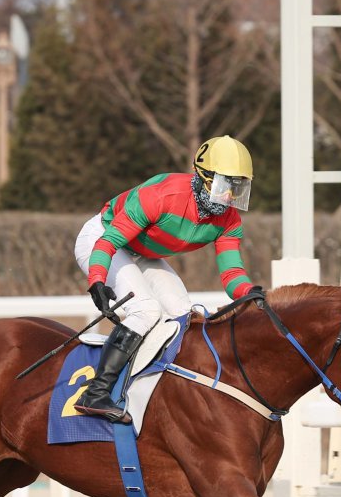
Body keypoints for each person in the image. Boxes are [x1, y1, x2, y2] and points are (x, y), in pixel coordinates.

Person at [71, 135, 263, 422]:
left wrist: (251, 292)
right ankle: (95, 393)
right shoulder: (162, 196)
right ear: (202, 178)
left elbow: (232, 274)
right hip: (102, 239)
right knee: (146, 309)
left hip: (142, 251)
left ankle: (156, 393)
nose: (229, 197)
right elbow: (108, 243)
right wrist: (97, 280)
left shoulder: (229, 220)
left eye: (238, 187)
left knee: (182, 316)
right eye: (225, 185)